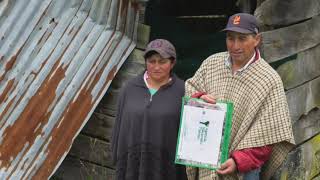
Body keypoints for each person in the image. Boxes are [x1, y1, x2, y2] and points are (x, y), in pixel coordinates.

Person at [185, 13, 295, 180]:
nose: (235, 45)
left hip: (245, 171)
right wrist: (199, 98)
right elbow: (190, 89)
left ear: (257, 39)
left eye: (242, 38)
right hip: (206, 159)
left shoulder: (268, 80)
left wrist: (239, 161)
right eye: (230, 38)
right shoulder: (212, 64)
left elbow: (270, 135)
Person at [111, 39, 187, 180]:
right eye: (152, 61)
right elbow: (119, 126)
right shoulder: (129, 88)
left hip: (165, 166)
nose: (156, 67)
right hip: (132, 166)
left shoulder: (183, 91)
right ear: (145, 62)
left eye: (162, 61)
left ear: (172, 63)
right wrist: (116, 157)